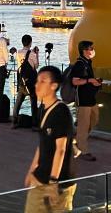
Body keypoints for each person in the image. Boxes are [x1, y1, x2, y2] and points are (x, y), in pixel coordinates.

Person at [23, 65, 76, 212]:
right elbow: (43, 144)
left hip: (57, 183)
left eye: (43, 81)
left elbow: (61, 149)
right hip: (41, 177)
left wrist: (53, 182)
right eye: (37, 81)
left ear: (54, 86)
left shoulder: (61, 112)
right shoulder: (43, 108)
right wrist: (31, 170)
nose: (37, 85)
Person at [70, 41, 102, 161]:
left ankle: (77, 140)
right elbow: (75, 81)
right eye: (90, 48)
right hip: (83, 99)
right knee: (83, 125)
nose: (92, 50)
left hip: (91, 98)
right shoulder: (79, 64)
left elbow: (87, 79)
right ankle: (83, 151)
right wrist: (90, 80)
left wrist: (95, 81)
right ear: (84, 50)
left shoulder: (87, 62)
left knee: (94, 119)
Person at [13, 34, 40, 128]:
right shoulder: (32, 54)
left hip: (22, 80)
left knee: (18, 101)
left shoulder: (18, 52)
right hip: (31, 81)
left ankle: (14, 121)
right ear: (30, 43)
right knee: (33, 101)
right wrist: (37, 54)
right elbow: (36, 66)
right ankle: (34, 124)